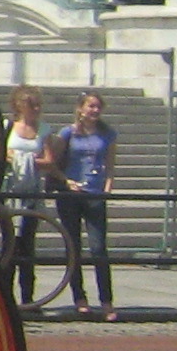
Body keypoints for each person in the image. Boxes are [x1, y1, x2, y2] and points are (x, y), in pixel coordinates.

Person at [44, 91, 117, 318]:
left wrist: (107, 189)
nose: (94, 111)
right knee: (73, 247)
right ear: (81, 109)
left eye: (98, 107)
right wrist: (67, 181)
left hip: (95, 193)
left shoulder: (107, 134)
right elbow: (53, 164)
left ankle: (106, 301)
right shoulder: (68, 133)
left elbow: (110, 165)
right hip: (71, 194)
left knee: (98, 248)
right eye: (91, 107)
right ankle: (80, 297)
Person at [0, 86, 47, 305]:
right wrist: (15, 157)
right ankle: (5, 297)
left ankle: (28, 298)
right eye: (32, 105)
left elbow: (49, 159)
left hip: (32, 193)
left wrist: (25, 159)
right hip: (10, 191)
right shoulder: (7, 127)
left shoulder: (43, 129)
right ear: (19, 105)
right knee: (10, 244)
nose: (36, 109)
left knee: (27, 245)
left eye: (38, 105)